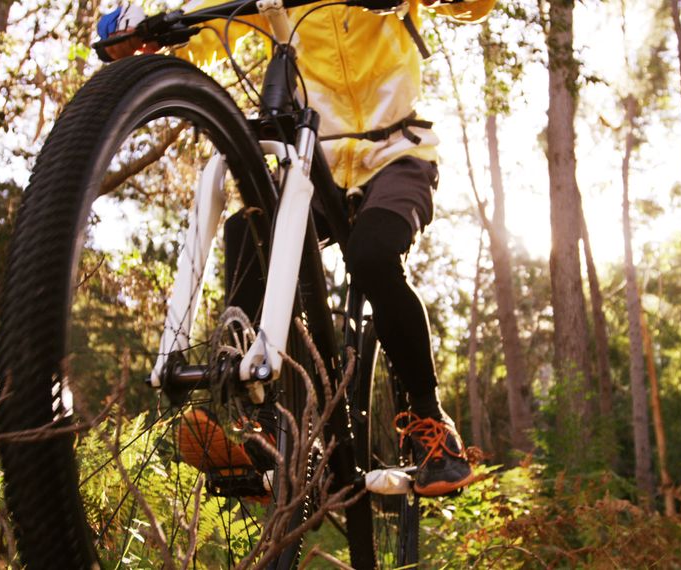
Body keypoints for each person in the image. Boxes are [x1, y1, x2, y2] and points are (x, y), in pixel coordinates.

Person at [98, 0, 492, 496]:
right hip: (312, 161)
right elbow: (206, 19)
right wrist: (148, 33)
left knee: (372, 255)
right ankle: (263, 424)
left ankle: (429, 423)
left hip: (396, 154)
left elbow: (472, 6)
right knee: (251, 234)